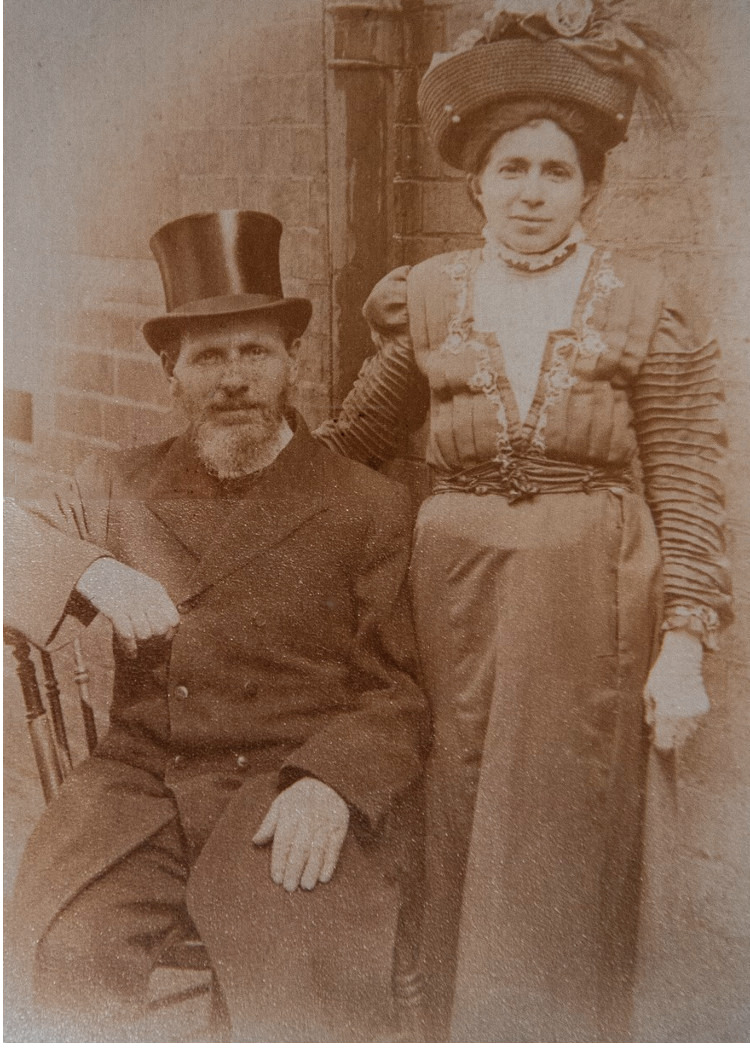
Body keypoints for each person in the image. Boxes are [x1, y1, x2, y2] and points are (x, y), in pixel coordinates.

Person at [315, 1, 732, 1042]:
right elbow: (353, 445)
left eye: (556, 171)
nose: (532, 192)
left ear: (590, 186)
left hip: (590, 607)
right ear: (477, 182)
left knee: (567, 824)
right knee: (450, 803)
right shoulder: (429, 297)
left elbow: (687, 476)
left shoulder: (642, 301)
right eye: (512, 169)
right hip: (450, 609)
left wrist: (685, 645)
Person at [5, 210, 427, 1042]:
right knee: (60, 948)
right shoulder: (119, 482)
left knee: (296, 977)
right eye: (208, 357)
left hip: (285, 786)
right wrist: (94, 571)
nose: (234, 379)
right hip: (140, 790)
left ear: (292, 360)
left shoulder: (367, 504)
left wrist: (332, 782)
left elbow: (398, 693)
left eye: (254, 352)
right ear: (171, 371)